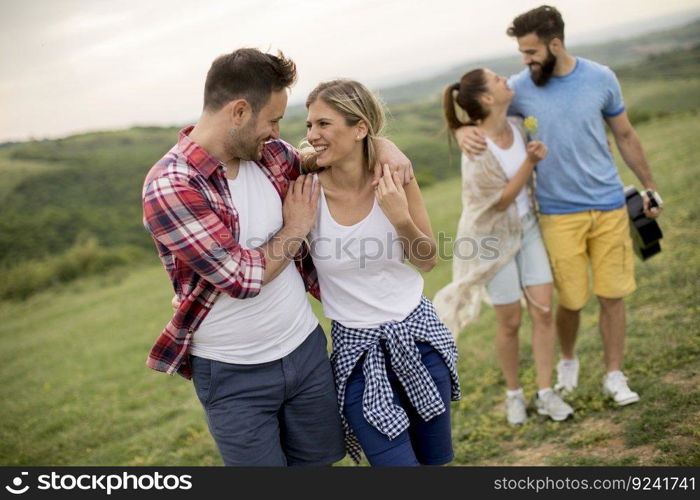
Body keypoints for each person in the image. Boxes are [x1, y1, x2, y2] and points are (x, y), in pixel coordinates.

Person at [142, 48, 413, 466]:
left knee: (320, 464)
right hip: (234, 373)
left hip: (304, 351)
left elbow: (336, 155)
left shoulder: (271, 157)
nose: (276, 131)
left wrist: (382, 144)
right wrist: (294, 229)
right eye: (271, 120)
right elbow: (241, 277)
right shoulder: (172, 184)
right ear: (238, 112)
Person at [455, 6, 663, 406]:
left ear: (555, 44)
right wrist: (462, 129)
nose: (525, 61)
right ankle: (568, 360)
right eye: (521, 53)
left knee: (612, 296)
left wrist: (650, 187)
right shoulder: (520, 87)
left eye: (531, 52)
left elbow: (625, 134)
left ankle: (614, 375)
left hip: (608, 204)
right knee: (570, 300)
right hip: (556, 213)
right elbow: (485, 114)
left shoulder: (601, 78)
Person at [301, 79, 461, 466]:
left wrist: (399, 216)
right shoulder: (303, 189)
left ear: (359, 129)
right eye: (309, 125)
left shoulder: (395, 180)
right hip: (356, 353)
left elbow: (426, 259)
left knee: (435, 463)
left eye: (324, 124)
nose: (312, 134)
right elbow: (276, 153)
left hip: (419, 340)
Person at [433, 68, 573, 424]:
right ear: (486, 98)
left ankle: (545, 392)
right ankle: (514, 394)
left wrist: (459, 126)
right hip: (491, 239)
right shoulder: (477, 148)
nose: (505, 79)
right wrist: (530, 160)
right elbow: (497, 203)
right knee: (510, 321)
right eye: (497, 79)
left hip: (527, 229)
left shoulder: (516, 123)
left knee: (542, 310)